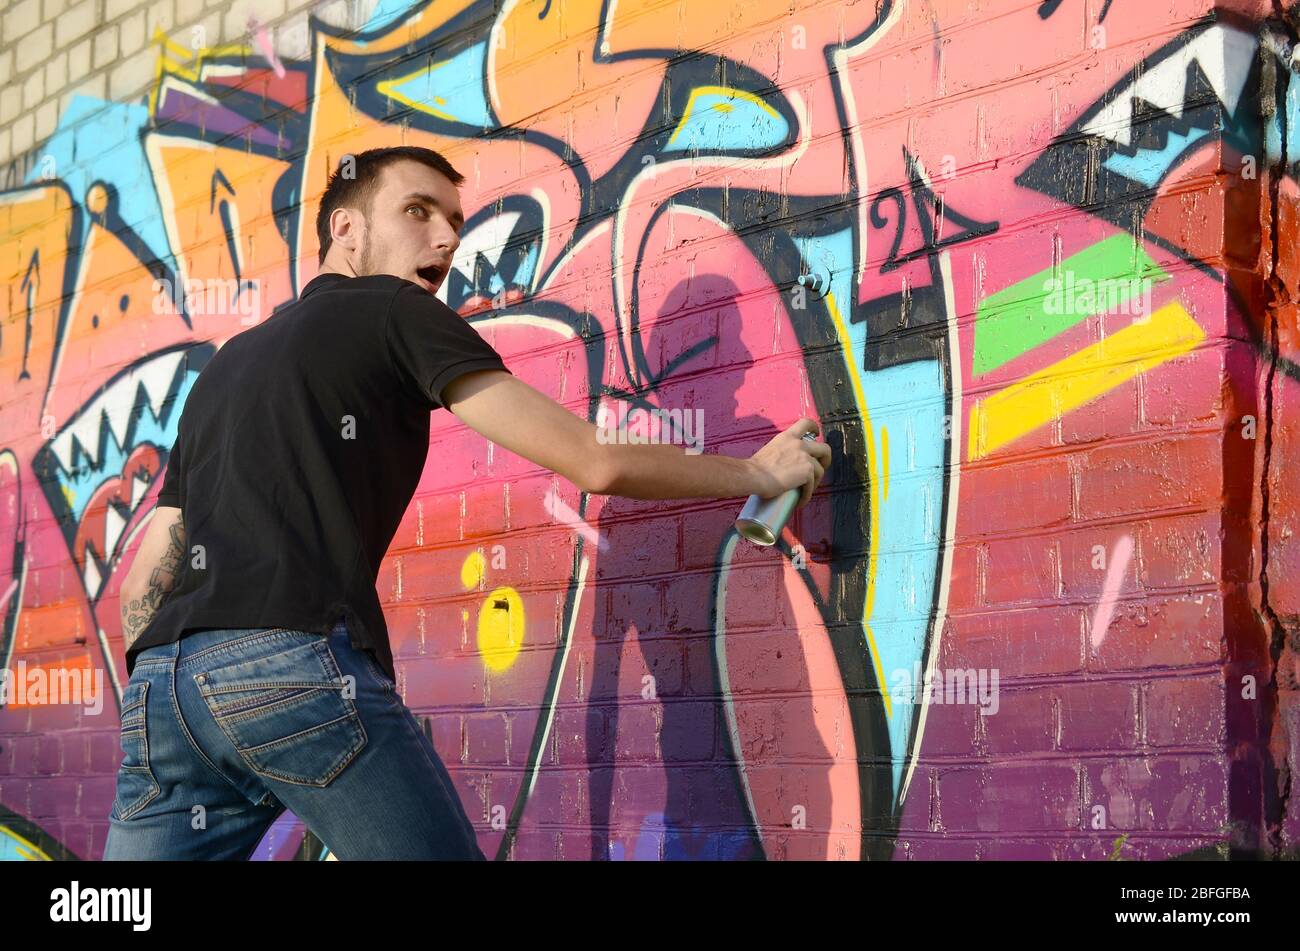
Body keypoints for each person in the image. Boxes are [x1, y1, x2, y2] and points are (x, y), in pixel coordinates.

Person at [103, 145, 831, 860]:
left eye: (452, 219)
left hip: (160, 693)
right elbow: (594, 460)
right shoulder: (394, 310)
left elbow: (142, 586)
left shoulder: (224, 367)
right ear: (344, 229)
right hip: (290, 663)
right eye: (416, 211)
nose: (446, 236)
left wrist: (168, 686)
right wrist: (758, 473)